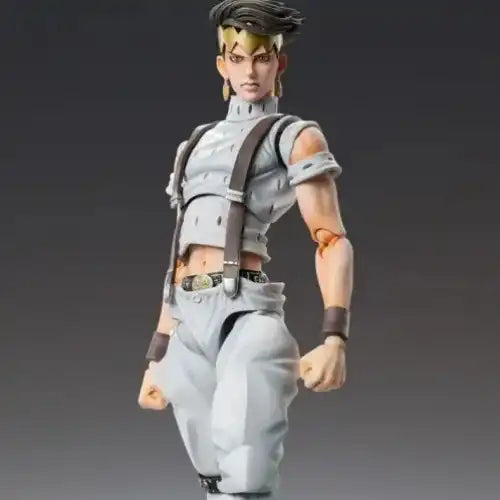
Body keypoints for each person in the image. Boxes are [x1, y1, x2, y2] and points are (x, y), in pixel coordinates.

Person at [137, 1, 354, 499]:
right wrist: (157, 353)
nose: (249, 72)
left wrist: (334, 337)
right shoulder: (194, 145)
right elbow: (180, 255)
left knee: (246, 460)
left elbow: (331, 238)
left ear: (279, 62)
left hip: (245, 311)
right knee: (211, 470)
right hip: (188, 317)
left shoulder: (293, 136)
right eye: (237, 58)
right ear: (222, 65)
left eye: (262, 57)